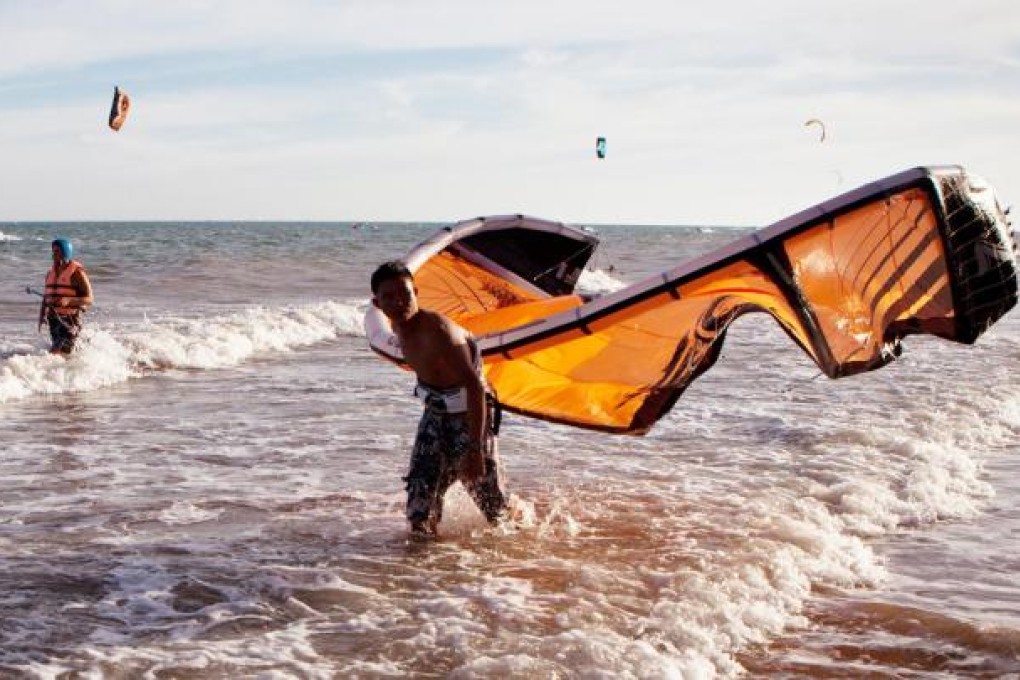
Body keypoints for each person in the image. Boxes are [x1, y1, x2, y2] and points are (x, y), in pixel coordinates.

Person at [370, 260, 509, 536]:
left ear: (416, 293)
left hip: (468, 416)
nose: (399, 302)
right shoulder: (396, 328)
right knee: (419, 505)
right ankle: (427, 570)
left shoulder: (441, 332)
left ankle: (518, 554)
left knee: (493, 509)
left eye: (405, 294)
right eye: (389, 297)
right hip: (434, 415)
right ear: (378, 303)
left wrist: (475, 449)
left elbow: (474, 387)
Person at [38, 237, 93, 355]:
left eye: (57, 251)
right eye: (53, 251)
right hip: (53, 319)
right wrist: (42, 315)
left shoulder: (77, 273)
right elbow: (46, 297)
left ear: (65, 252)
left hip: (70, 319)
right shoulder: (50, 273)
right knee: (65, 352)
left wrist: (68, 300)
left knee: (56, 352)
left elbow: (89, 299)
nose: (53, 255)